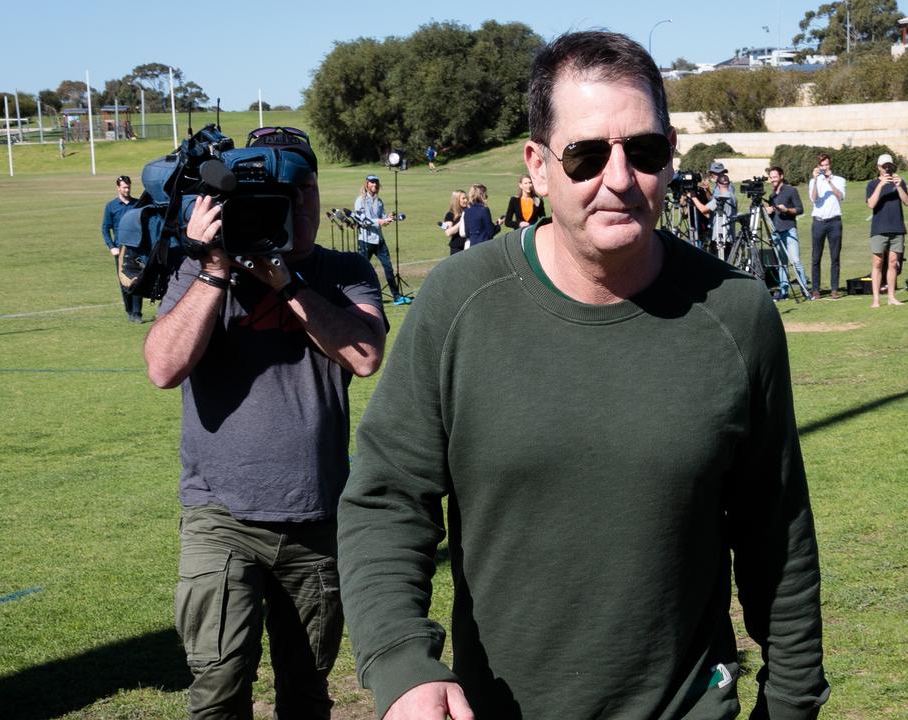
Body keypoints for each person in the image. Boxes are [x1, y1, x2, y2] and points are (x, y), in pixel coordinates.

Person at [337, 29, 828, 720]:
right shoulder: (457, 304)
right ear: (537, 166)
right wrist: (402, 662)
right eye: (587, 155)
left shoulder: (737, 312)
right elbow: (386, 503)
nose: (620, 179)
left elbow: (777, 536)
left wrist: (792, 705)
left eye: (645, 151)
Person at [142, 128, 388, 720]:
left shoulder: (345, 270)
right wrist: (214, 267)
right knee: (218, 689)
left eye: (307, 188)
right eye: (285, 192)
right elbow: (163, 368)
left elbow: (364, 356)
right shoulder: (200, 270)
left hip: (313, 515)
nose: (299, 205)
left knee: (306, 692)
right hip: (219, 514)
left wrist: (287, 281)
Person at [355, 174, 411, 305]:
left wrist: (388, 218)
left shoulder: (379, 201)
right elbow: (363, 220)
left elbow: (383, 218)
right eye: (372, 182)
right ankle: (358, 295)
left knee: (388, 268)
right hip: (365, 240)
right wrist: (380, 221)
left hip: (379, 240)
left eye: (376, 183)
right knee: (361, 269)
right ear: (367, 184)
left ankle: (396, 297)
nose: (374, 185)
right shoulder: (360, 201)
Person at [865, 153, 908, 308]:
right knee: (877, 263)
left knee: (893, 263)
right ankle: (876, 299)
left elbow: (907, 202)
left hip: (897, 227)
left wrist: (898, 186)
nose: (887, 169)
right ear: (878, 167)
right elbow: (871, 204)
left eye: (889, 166)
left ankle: (891, 296)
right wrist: (881, 185)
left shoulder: (899, 182)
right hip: (879, 229)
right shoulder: (872, 184)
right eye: (884, 166)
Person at [101, 174, 143, 323]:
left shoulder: (137, 204)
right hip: (120, 250)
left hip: (136, 249)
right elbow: (105, 228)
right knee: (124, 281)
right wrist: (111, 246)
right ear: (118, 188)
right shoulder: (111, 206)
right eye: (124, 187)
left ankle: (137, 313)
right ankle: (129, 310)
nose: (127, 189)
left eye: (129, 186)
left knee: (137, 280)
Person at [807, 153, 846, 300]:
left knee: (835, 257)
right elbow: (814, 198)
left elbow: (841, 196)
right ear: (818, 167)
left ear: (830, 165)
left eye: (827, 165)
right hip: (818, 222)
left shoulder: (839, 180)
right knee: (816, 257)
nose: (824, 168)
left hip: (834, 222)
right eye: (822, 165)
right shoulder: (813, 181)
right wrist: (817, 179)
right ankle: (816, 290)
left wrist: (830, 182)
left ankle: (834, 289)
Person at [766, 165, 808, 301]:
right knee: (781, 263)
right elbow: (772, 216)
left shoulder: (791, 191)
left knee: (795, 261)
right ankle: (784, 291)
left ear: (781, 176)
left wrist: (787, 210)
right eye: (771, 177)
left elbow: (800, 209)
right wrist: (768, 212)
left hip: (789, 229)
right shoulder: (771, 196)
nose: (773, 180)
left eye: (775, 177)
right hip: (776, 232)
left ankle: (805, 289)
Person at [706, 161, 739, 254]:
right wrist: (707, 191)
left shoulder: (728, 187)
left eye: (714, 173)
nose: (712, 175)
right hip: (717, 225)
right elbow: (714, 201)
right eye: (712, 173)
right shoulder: (717, 186)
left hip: (722, 229)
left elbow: (720, 202)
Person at [461, 183, 500, 249]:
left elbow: (467, 233)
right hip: (484, 247)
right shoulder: (484, 210)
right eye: (485, 195)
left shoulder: (467, 211)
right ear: (482, 196)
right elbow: (491, 232)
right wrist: (498, 225)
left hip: (472, 247)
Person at [442, 189, 470, 255]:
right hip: (457, 248)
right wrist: (461, 222)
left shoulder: (469, 211)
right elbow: (448, 233)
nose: (466, 200)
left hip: (470, 245)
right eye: (463, 198)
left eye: (466, 198)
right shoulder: (450, 214)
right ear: (457, 200)